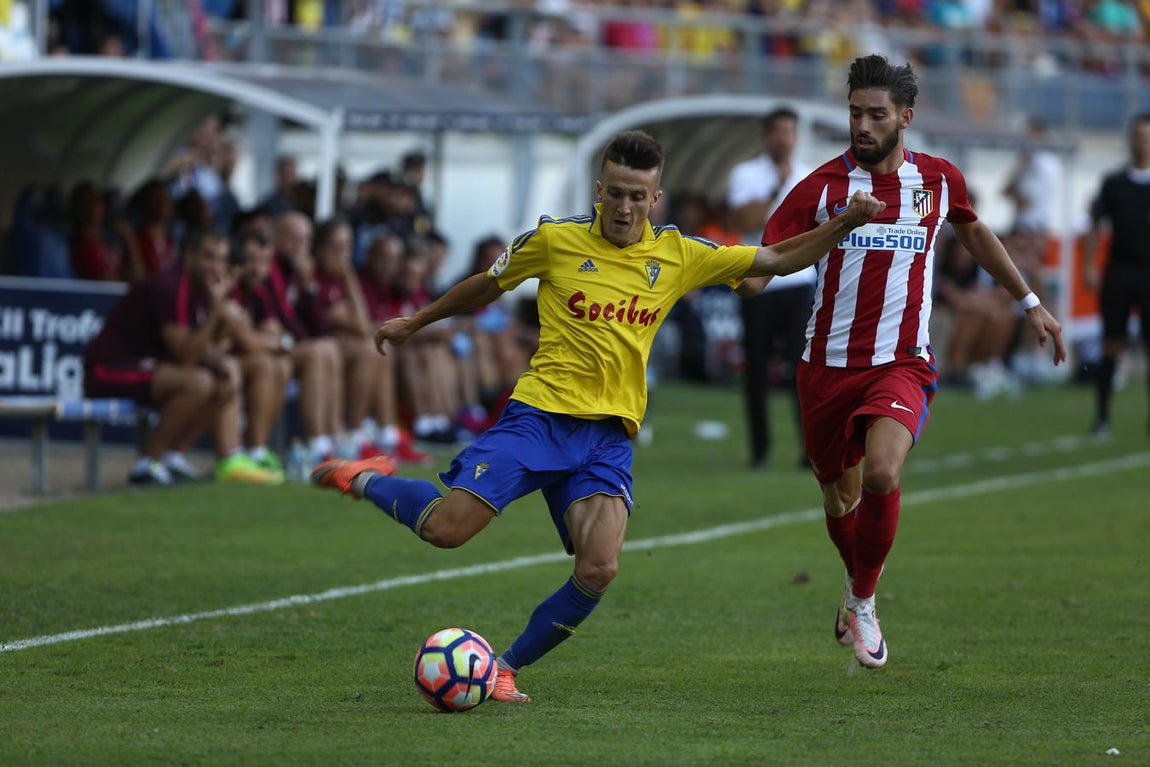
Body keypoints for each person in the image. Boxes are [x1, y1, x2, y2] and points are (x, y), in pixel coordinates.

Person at [308, 130, 886, 702]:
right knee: (445, 531)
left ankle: (502, 669)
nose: (625, 206)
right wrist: (415, 322)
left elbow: (778, 258)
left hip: (607, 438)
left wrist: (845, 223)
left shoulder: (678, 254)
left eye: (638, 195)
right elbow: (487, 286)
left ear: (654, 199)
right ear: (598, 190)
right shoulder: (555, 241)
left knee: (600, 567)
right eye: (616, 193)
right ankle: (365, 478)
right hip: (539, 419)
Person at [746, 54, 1066, 669]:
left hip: (902, 362)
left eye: (876, 115)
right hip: (826, 367)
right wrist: (724, 272)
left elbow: (972, 231)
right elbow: (766, 264)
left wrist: (1029, 302)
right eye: (855, 114)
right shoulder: (820, 188)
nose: (862, 126)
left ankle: (864, 602)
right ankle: (854, 585)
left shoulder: (939, 181)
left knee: (883, 475)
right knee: (840, 500)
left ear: (905, 118)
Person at [83, 228, 285, 486]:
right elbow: (187, 355)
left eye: (222, 259)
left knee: (224, 377)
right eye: (209, 257)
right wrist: (216, 313)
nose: (216, 266)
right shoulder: (171, 286)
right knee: (198, 382)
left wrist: (223, 352)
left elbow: (210, 347)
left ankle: (172, 457)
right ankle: (148, 463)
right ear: (189, 256)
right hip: (109, 368)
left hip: (152, 367)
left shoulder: (203, 290)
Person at [727, 106, 816, 469]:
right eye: (778, 131)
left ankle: (809, 451)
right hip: (758, 280)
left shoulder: (810, 176)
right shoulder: (746, 174)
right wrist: (778, 188)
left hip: (799, 281)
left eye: (789, 132)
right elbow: (744, 220)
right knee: (757, 369)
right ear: (767, 136)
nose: (784, 139)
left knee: (805, 370)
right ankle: (760, 450)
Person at [1081, 113, 1150, 439]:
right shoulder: (1114, 183)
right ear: (1130, 139)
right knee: (1112, 344)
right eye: (1138, 135)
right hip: (1120, 271)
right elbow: (1095, 225)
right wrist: (1090, 265)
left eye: (1147, 136)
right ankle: (1102, 418)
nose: (1142, 141)